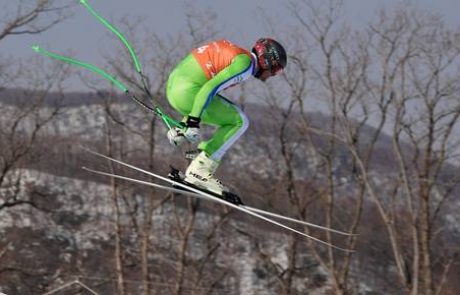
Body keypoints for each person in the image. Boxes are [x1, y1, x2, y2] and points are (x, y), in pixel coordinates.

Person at [166, 38, 287, 196]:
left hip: (174, 90)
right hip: (189, 93)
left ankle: (203, 158)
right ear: (267, 61)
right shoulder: (245, 65)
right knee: (239, 121)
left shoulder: (238, 55)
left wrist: (183, 126)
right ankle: (200, 170)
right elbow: (208, 88)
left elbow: (205, 90)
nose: (272, 75)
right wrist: (193, 122)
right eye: (276, 70)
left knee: (227, 112)